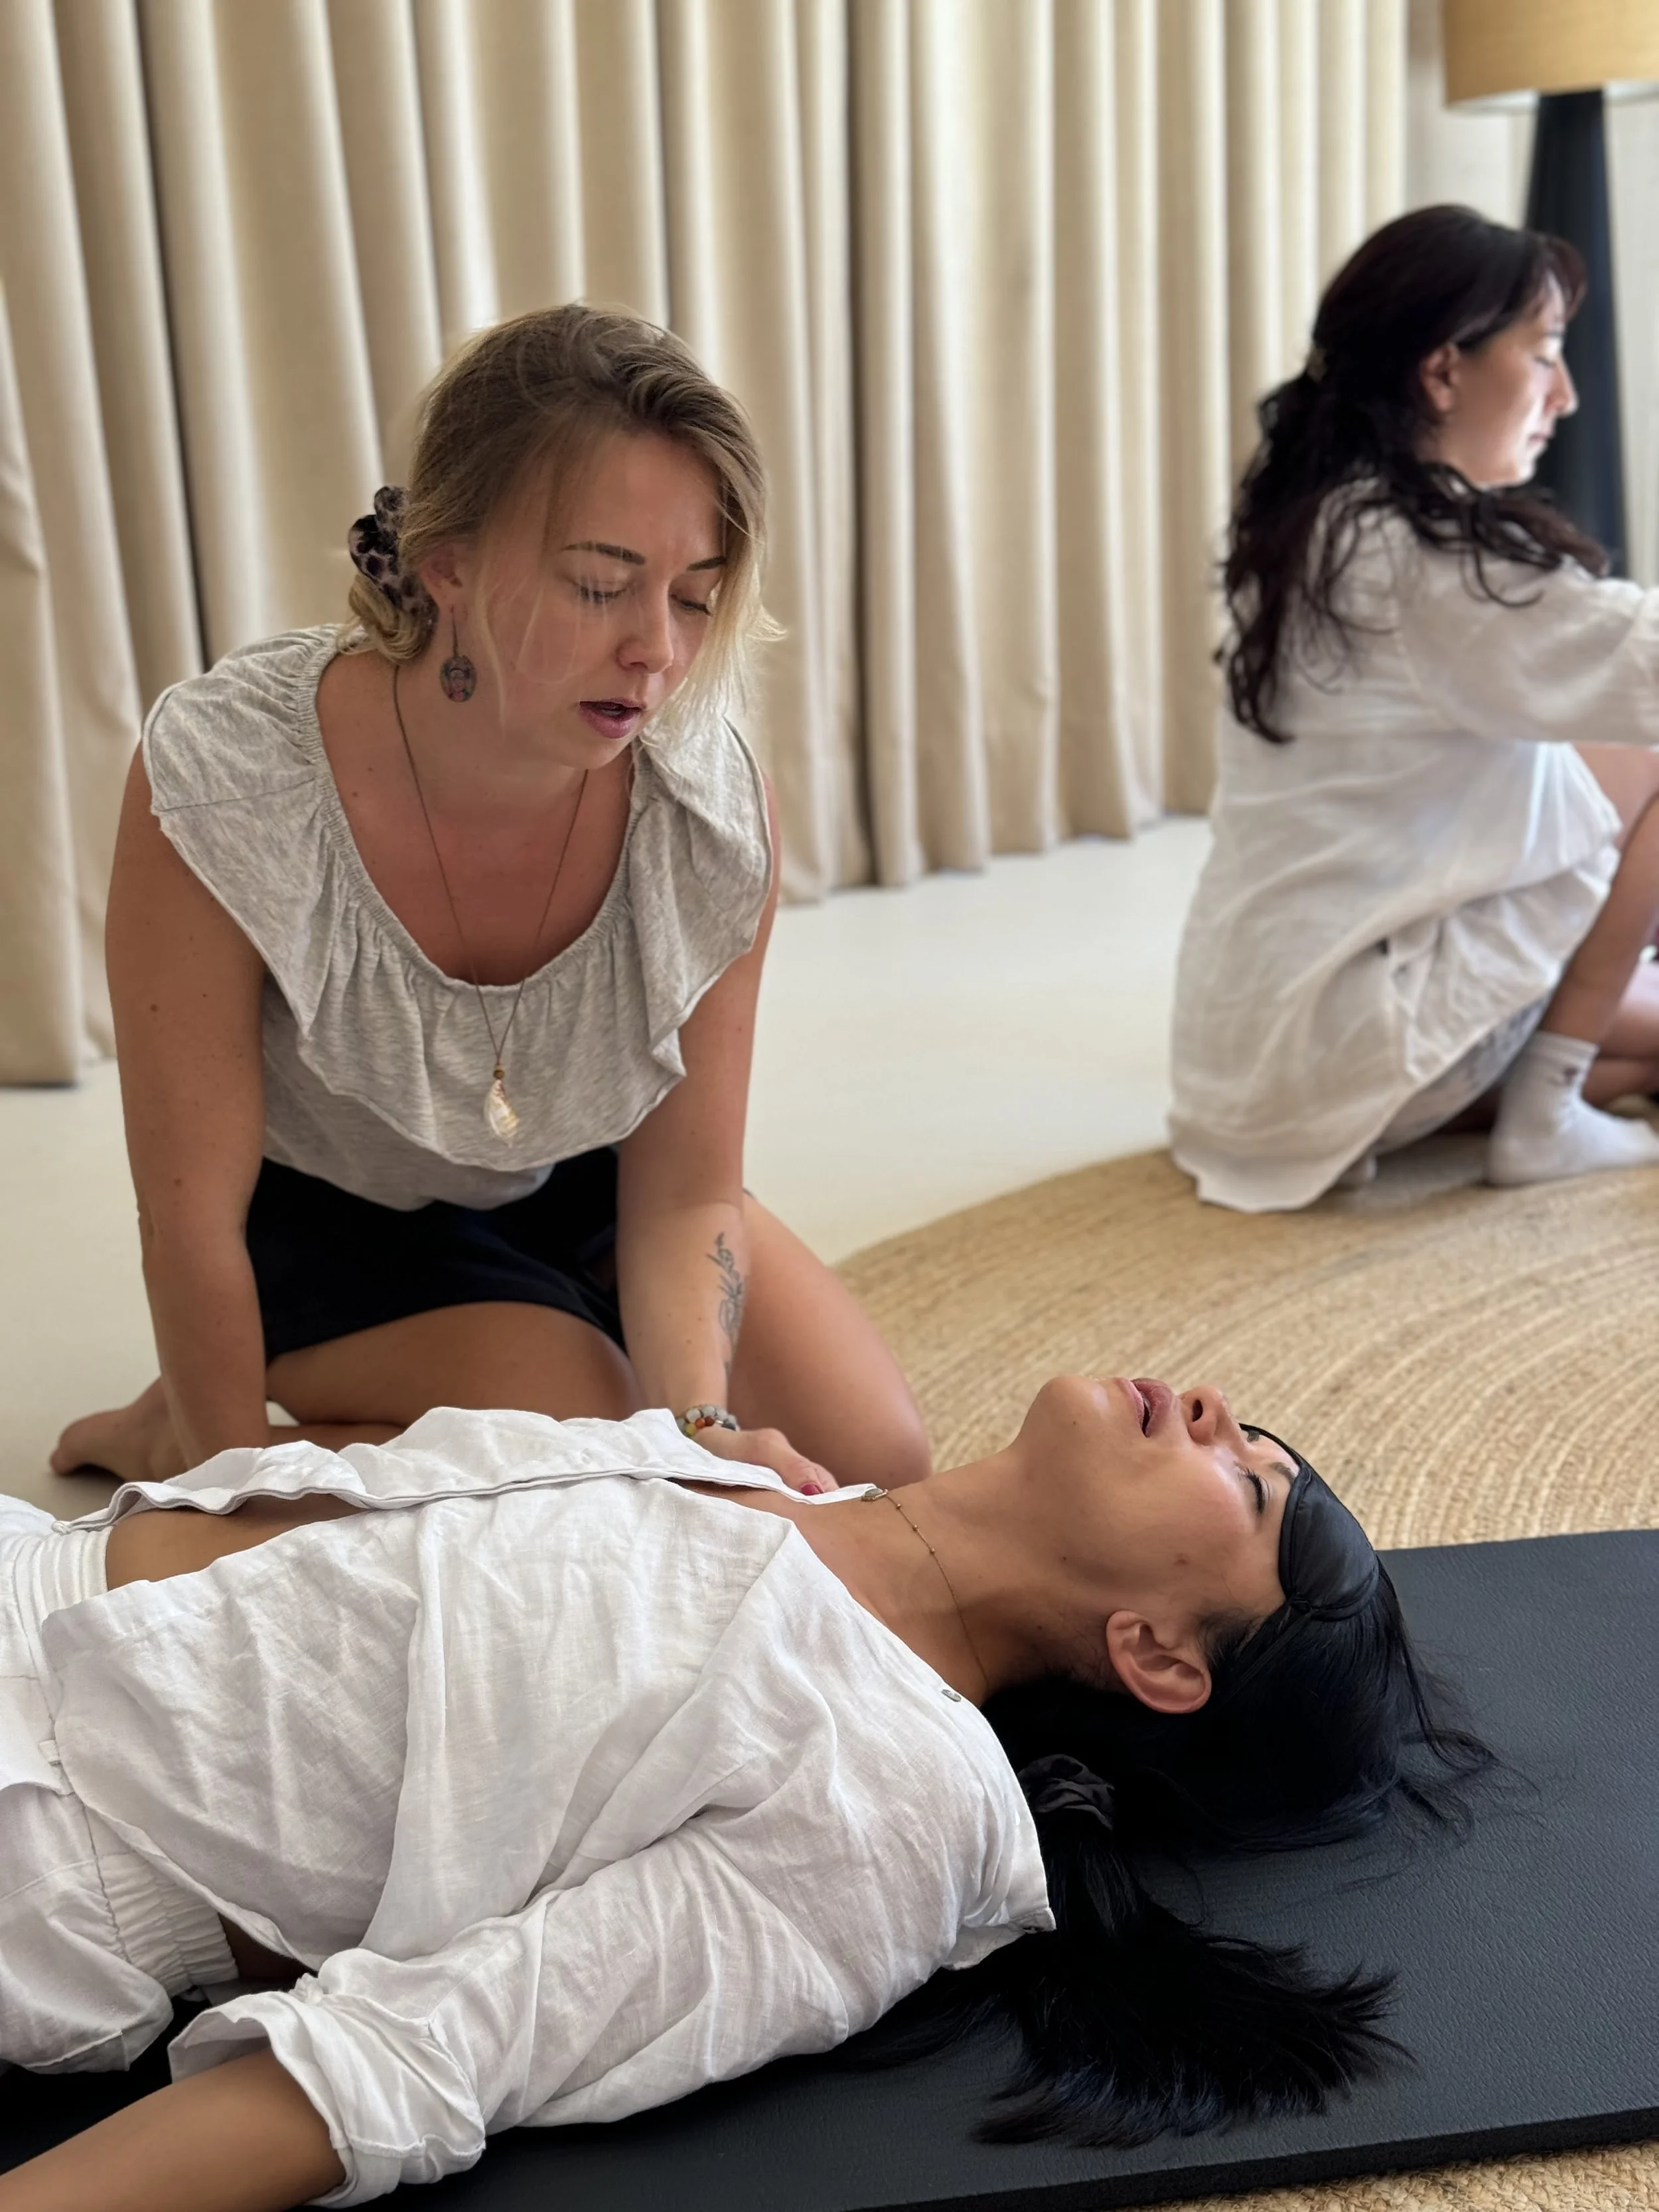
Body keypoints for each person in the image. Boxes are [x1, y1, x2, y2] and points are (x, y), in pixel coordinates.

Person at [0, 1372, 1480, 2211]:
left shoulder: (896, 1804)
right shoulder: (762, 1470)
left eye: (1246, 1487)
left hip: (49, 1841)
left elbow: (442, 2051)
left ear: (1157, 1655)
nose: (1219, 1407)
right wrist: (686, 1437)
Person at [50, 303, 926, 1495]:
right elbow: (190, 1216)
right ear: (447, 565)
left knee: (876, 1456)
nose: (657, 654)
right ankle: (174, 1428)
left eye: (692, 594)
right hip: (333, 1215)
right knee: (586, 1428)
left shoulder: (706, 806)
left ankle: (556, 1374)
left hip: (579, 1171)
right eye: (601, 586)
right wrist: (222, 1479)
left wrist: (704, 1432)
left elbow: (683, 1196)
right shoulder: (229, 779)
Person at [1171, 204, 1659, 1213]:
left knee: (1631, 1012)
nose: (1564, 396)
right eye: (1546, 353)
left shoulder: (1318, 521)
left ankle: (1542, 1085)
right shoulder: (1426, 558)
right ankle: (1549, 1108)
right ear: (1443, 372)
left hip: (1249, 1061)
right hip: (1346, 1026)